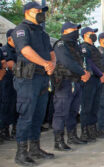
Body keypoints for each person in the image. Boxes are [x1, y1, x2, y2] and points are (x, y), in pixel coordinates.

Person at [11, 2, 56, 165]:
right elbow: (25, 50)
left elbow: (52, 52)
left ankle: (35, 148)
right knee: (26, 116)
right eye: (37, 11)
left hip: (42, 78)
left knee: (38, 116)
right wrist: (45, 63)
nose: (40, 13)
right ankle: (21, 153)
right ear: (28, 12)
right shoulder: (22, 29)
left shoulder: (42, 33)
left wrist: (52, 64)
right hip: (27, 79)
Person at [52, 21, 91, 151]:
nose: (76, 31)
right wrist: (83, 73)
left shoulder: (77, 46)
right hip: (64, 81)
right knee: (61, 112)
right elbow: (67, 62)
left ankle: (72, 136)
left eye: (76, 29)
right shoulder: (61, 44)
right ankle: (58, 141)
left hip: (77, 81)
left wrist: (87, 73)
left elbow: (84, 61)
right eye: (73, 29)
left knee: (73, 111)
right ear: (65, 31)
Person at [80, 27, 104, 142]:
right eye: (91, 33)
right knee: (87, 106)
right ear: (85, 35)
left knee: (95, 105)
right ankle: (85, 131)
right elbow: (89, 63)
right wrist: (101, 74)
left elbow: (100, 62)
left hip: (97, 79)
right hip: (90, 79)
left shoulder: (94, 48)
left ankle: (92, 129)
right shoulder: (84, 47)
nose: (93, 35)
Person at [0, 29, 18, 141]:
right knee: (6, 107)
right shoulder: (4, 50)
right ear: (9, 38)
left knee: (16, 107)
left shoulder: (20, 50)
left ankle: (15, 130)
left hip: (18, 83)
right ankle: (4, 131)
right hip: (7, 83)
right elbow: (9, 65)